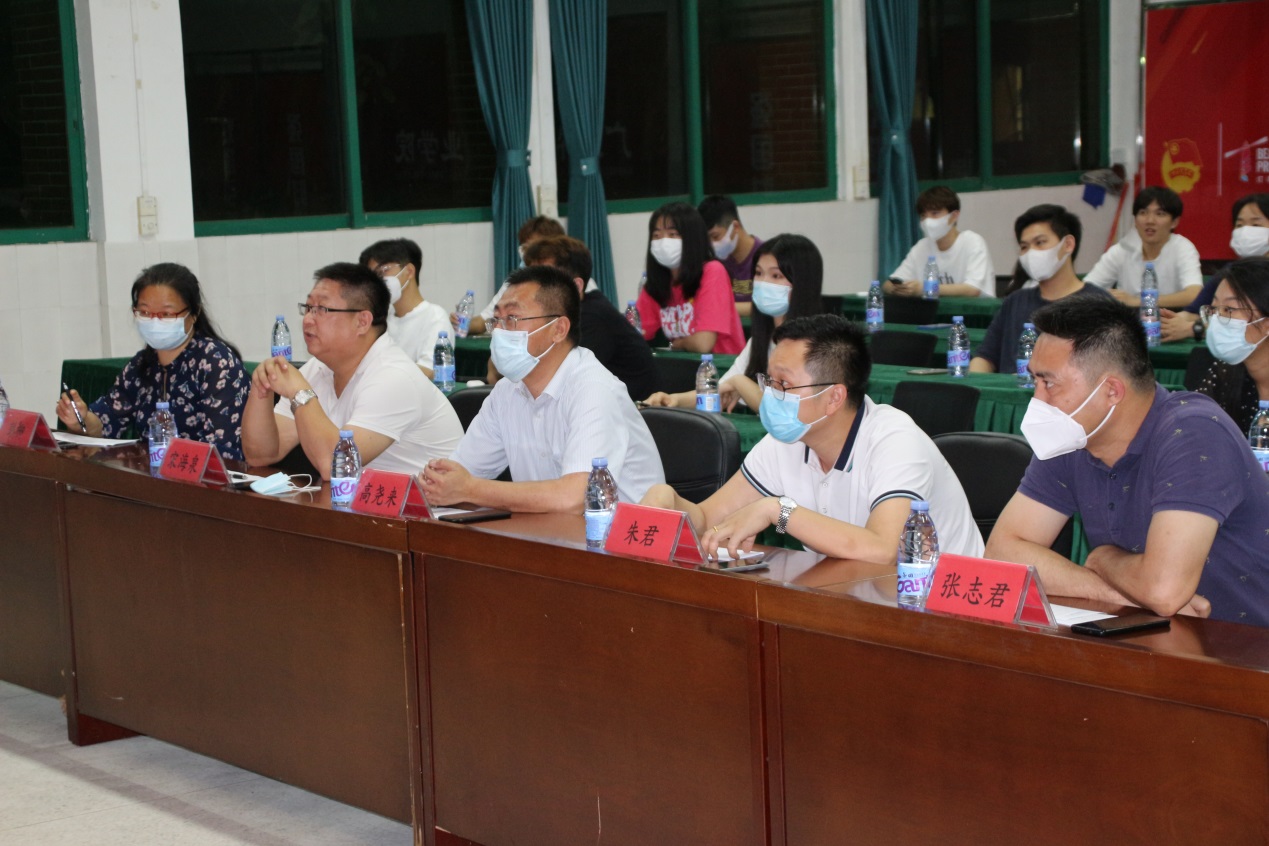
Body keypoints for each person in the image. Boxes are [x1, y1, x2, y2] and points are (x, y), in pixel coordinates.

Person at [986, 296, 1269, 626]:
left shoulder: (1194, 433)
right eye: (1035, 380)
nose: (1038, 399)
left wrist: (1102, 557)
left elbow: (1163, 591)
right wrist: (1116, 593)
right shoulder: (1072, 437)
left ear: (1111, 391)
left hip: (1244, 646)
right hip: (1151, 637)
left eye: (1049, 383)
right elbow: (1003, 553)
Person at [640, 314, 983, 562]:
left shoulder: (895, 441)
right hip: (859, 597)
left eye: (784, 384)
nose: (770, 394)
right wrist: (671, 503)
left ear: (834, 397)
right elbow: (707, 520)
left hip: (946, 606)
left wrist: (779, 510)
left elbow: (882, 550)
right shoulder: (785, 442)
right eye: (768, 381)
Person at [420, 265, 665, 511]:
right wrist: (442, 485)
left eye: (512, 319)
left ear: (558, 329)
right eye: (496, 320)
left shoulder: (594, 390)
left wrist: (471, 489)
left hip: (624, 533)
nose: (499, 332)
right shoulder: (506, 392)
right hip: (548, 530)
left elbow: (575, 498)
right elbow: (459, 473)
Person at [241, 262, 463, 477]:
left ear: (362, 322)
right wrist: (261, 388)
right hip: (363, 499)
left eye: (321, 309)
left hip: (427, 502)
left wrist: (300, 393)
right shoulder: (318, 368)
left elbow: (335, 466)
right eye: (308, 308)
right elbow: (260, 455)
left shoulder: (393, 377)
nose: (308, 319)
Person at [56, 263, 248, 459]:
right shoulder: (142, 366)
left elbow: (224, 451)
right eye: (145, 313)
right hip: (153, 473)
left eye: (166, 314)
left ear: (194, 313)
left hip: (199, 473)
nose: (155, 321)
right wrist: (81, 419)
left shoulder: (216, 362)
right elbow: (106, 423)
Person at [643, 233, 824, 411]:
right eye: (758, 273)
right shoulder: (760, 341)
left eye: (776, 276)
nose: (762, 282)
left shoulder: (819, 346)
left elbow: (785, 410)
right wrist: (673, 400)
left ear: (803, 283)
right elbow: (719, 390)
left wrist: (740, 383)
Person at [970, 204, 1113, 374]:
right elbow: (985, 357)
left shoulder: (1099, 305)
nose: (1031, 253)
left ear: (1068, 244)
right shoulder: (1015, 302)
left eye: (1040, 242)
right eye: (1024, 247)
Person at [522, 235, 659, 402]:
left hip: (632, 410)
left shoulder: (594, 317)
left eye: (544, 280)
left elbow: (559, 378)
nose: (534, 288)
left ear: (576, 286)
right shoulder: (564, 314)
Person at [635, 201, 747, 355]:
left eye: (672, 234)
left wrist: (679, 344)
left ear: (692, 239)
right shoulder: (658, 282)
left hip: (721, 365)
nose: (663, 242)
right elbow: (633, 332)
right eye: (656, 236)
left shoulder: (712, 271)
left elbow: (703, 343)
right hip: (684, 366)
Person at [1161, 193, 1269, 343]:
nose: (1245, 231)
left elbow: (1254, 326)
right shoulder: (1230, 272)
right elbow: (1193, 313)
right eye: (1239, 225)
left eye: (1256, 225)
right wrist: (1166, 323)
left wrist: (1194, 329)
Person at [1084, 186, 1202, 309]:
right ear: (1135, 220)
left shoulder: (1183, 248)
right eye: (1143, 213)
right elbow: (1086, 289)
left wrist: (1142, 301)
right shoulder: (1122, 249)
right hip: (1128, 319)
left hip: (1169, 318)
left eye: (1160, 214)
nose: (1150, 220)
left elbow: (1194, 294)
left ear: (1174, 222)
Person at [1193, 257, 1269, 431]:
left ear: (1266, 324)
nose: (1216, 319)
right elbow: (1196, 429)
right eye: (1214, 308)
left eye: (1229, 310)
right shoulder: (1225, 372)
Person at [459, 215, 566, 337]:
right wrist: (459, 323)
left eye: (535, 248)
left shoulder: (568, 283)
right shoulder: (515, 282)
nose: (528, 254)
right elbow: (484, 321)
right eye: (524, 247)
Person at [884, 186, 995, 298]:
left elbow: (973, 289)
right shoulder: (921, 247)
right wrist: (899, 289)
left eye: (935, 213)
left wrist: (925, 288)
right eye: (923, 216)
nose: (927, 221)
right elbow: (888, 284)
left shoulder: (973, 242)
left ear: (954, 216)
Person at [359, 238, 448, 375]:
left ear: (409, 271)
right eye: (373, 276)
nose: (378, 281)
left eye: (383, 271)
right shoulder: (383, 318)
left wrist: (382, 371)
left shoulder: (435, 317)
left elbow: (430, 371)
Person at [698, 194, 763, 317]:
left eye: (715, 236)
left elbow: (769, 307)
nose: (712, 245)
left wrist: (721, 307)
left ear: (735, 227)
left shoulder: (766, 257)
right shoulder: (714, 263)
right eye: (707, 240)